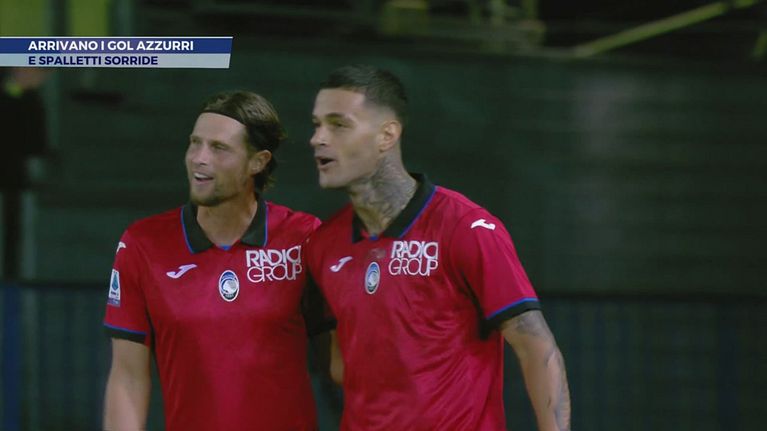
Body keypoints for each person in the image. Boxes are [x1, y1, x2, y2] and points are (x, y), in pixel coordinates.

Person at [306, 65, 571, 431]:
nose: (318, 138)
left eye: (338, 124)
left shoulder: (465, 227)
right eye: (317, 124)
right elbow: (341, 365)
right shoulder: (323, 245)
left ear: (387, 135)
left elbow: (536, 347)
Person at [103, 91, 329, 431]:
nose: (199, 158)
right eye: (195, 143)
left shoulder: (305, 237)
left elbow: (344, 362)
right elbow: (127, 378)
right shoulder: (141, 244)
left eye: (219, 148)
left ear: (258, 162)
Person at [0, 67, 49, 280]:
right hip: (11, 172)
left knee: (14, 229)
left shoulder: (30, 99)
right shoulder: (17, 96)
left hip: (13, 177)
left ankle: (11, 273)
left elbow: (36, 139)